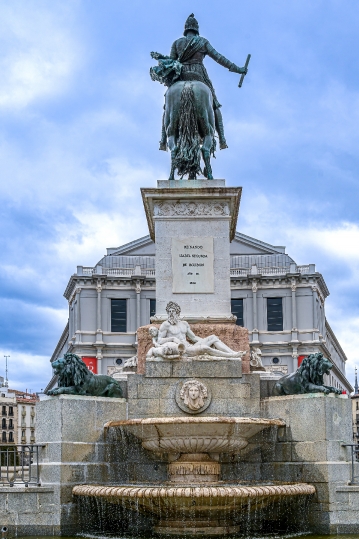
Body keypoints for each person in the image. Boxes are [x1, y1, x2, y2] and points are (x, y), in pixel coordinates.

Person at [150, 13, 247, 151]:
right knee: (215, 105)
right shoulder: (203, 42)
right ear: (196, 28)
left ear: (186, 29)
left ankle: (163, 141)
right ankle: (222, 140)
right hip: (199, 74)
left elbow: (172, 62)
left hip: (181, 74)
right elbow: (219, 58)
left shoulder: (177, 43)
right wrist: (238, 69)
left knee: (168, 107)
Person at [157, 301, 246, 359]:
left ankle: (233, 353)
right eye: (169, 311)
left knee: (213, 338)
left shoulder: (184, 324)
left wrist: (205, 340)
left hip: (190, 347)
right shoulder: (165, 325)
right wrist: (172, 339)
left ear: (177, 312)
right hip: (182, 350)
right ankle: (229, 356)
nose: (171, 314)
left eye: (173, 311)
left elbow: (194, 338)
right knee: (205, 348)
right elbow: (159, 340)